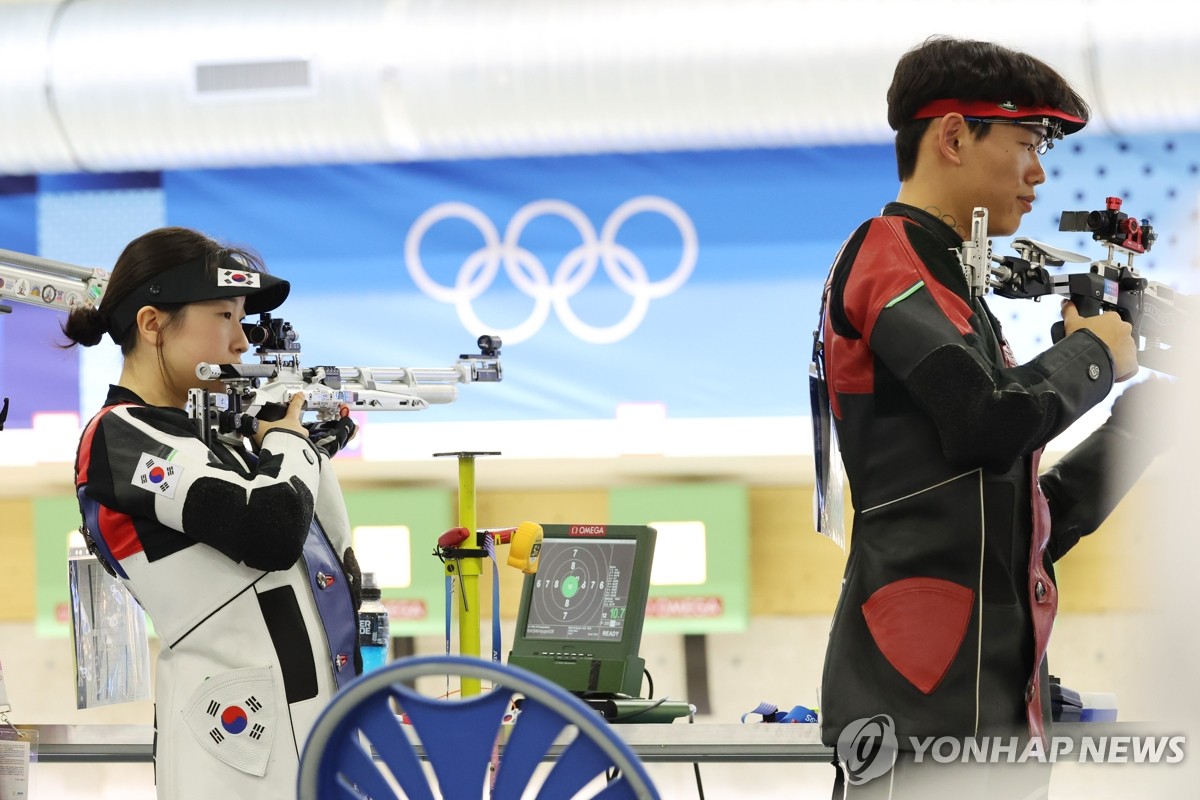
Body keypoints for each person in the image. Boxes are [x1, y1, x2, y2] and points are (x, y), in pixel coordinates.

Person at [814, 36, 1169, 797]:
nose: (1040, 171)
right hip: (921, 714)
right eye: (1028, 142)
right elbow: (985, 421)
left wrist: (1146, 426)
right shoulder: (888, 256)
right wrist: (1096, 357)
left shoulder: (953, 287)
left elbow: (1021, 526)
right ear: (952, 136)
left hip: (984, 716)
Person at [63, 227, 362, 799]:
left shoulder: (216, 442)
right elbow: (271, 530)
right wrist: (290, 446)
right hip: (239, 754)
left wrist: (305, 449)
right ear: (152, 324)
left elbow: (325, 551)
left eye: (243, 319)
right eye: (224, 316)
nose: (241, 343)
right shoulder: (117, 437)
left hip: (305, 738)